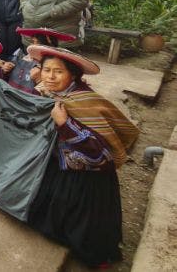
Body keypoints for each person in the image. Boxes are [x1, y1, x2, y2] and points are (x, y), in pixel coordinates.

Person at [23, 45, 139, 267]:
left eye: (58, 71)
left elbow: (100, 153)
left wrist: (64, 124)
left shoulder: (85, 103)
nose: (50, 76)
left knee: (83, 230)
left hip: (89, 180)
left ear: (73, 75)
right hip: (62, 166)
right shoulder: (53, 93)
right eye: (46, 70)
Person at [2, 27, 76, 94]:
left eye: (37, 42)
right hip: (10, 95)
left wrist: (42, 77)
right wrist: (7, 68)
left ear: (48, 42)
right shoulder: (23, 55)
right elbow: (9, 74)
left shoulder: (58, 62)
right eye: (33, 42)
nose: (34, 45)